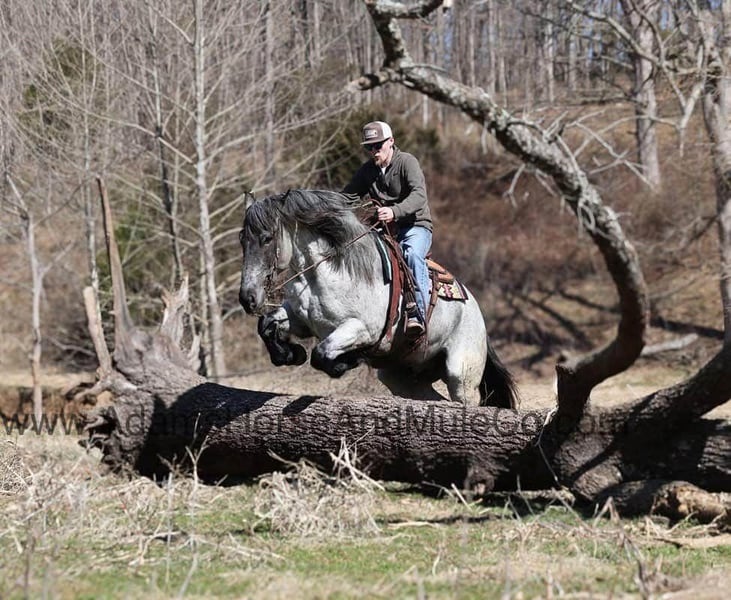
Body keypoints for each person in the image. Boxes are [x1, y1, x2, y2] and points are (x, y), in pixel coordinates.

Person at [343, 120, 432, 338]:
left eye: (378, 145)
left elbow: (419, 196)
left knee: (411, 254)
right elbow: (347, 197)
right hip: (385, 230)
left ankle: (419, 315)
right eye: (369, 147)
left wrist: (394, 211)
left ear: (391, 141)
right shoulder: (367, 171)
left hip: (415, 226)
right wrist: (319, 206)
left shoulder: (407, 162)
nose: (374, 151)